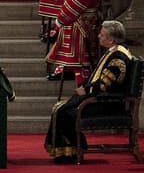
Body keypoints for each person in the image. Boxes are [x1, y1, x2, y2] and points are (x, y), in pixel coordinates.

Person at [44, 20, 134, 163]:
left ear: (111, 40)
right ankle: (69, 151)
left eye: (102, 35)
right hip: (99, 97)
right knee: (61, 108)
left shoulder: (118, 58)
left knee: (64, 112)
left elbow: (105, 85)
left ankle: (71, 152)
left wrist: (85, 90)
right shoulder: (112, 52)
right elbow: (96, 77)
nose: (98, 36)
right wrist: (84, 87)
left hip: (107, 103)